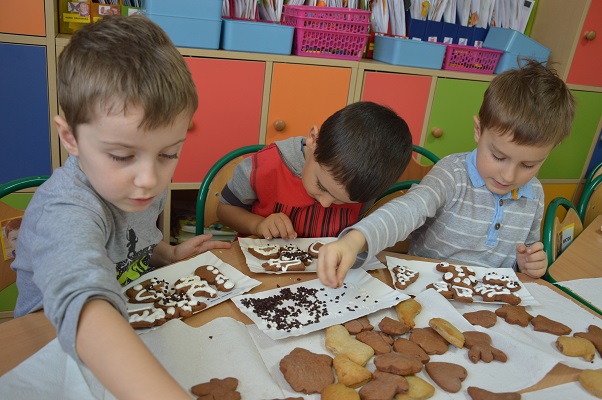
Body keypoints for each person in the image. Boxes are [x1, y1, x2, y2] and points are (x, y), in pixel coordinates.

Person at [11, 15, 230, 399]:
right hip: (50, 348)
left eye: (168, 153)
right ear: (70, 138)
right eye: (122, 155)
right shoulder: (65, 210)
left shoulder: (138, 186)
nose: (149, 178)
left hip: (132, 320)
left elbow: (131, 241)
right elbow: (83, 302)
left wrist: (167, 253)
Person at [317, 60, 576, 288]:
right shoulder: (451, 174)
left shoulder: (535, 194)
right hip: (428, 292)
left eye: (528, 165)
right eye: (498, 157)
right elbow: (408, 210)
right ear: (478, 131)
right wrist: (356, 240)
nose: (509, 176)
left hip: (488, 304)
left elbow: (526, 254)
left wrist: (530, 264)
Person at [216, 101, 414, 240]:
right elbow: (224, 210)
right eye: (321, 185)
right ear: (313, 139)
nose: (325, 203)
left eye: (342, 201)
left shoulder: (365, 186)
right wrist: (258, 225)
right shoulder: (266, 165)